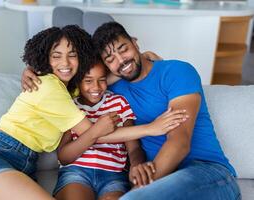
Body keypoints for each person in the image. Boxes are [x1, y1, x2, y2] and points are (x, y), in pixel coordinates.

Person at [0, 25, 185, 200]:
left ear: (82, 57)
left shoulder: (69, 89)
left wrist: (142, 58)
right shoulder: (49, 87)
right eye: (56, 55)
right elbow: (97, 134)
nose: (65, 62)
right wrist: (152, 128)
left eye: (72, 54)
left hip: (22, 166)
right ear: (45, 58)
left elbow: (103, 79)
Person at [22, 22, 241, 199]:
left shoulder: (177, 71)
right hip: (161, 176)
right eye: (110, 59)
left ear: (134, 43)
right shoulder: (112, 89)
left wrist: (141, 187)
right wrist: (32, 69)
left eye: (123, 49)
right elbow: (77, 78)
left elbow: (179, 143)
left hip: (205, 171)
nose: (121, 61)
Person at [53, 59, 188, 200]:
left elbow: (134, 148)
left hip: (113, 176)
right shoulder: (71, 107)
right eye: (88, 81)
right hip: (76, 172)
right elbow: (64, 157)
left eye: (102, 80)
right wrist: (96, 131)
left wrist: (136, 165)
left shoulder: (119, 103)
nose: (96, 87)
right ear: (77, 82)